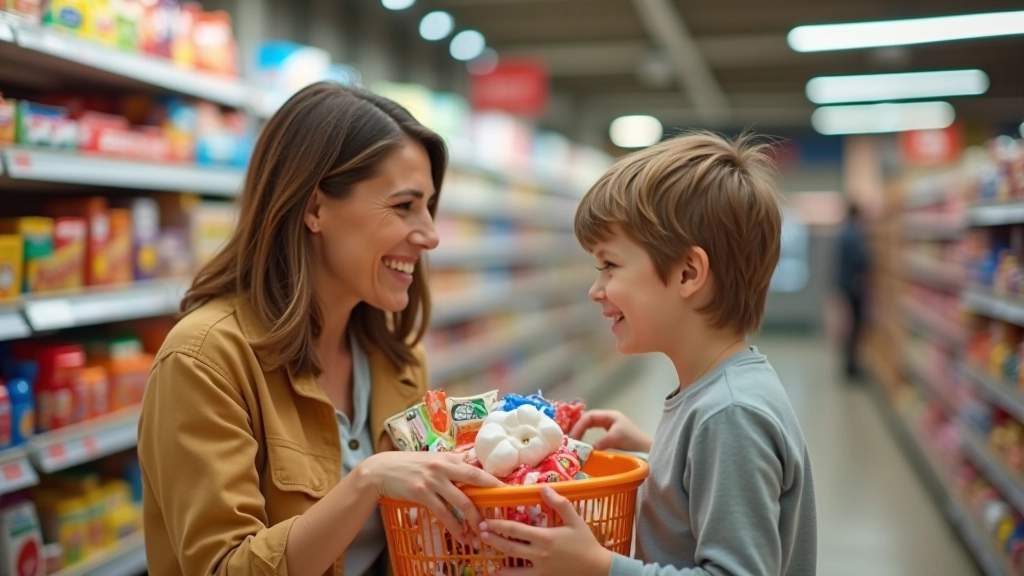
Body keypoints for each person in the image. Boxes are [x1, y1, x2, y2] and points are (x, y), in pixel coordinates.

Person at [137, 82, 500, 576]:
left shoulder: (396, 359)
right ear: (314, 209)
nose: (431, 236)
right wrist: (367, 482)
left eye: (428, 207)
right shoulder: (205, 359)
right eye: (403, 206)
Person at [477, 132, 817, 575]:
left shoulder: (730, 414)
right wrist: (655, 457)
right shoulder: (715, 396)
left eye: (610, 265)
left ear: (687, 273)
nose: (595, 290)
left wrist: (598, 566)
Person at [836, 199, 871, 380]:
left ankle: (850, 364)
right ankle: (852, 367)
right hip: (854, 286)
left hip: (846, 284)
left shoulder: (844, 231)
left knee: (850, 324)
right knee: (856, 325)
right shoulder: (853, 234)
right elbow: (862, 261)